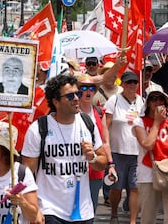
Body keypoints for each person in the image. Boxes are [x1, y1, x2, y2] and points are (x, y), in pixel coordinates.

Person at [22, 74, 107, 223]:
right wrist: (33, 208)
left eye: (78, 93)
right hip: (50, 209)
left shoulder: (87, 123)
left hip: (83, 210)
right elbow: (27, 173)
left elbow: (102, 162)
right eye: (69, 95)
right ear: (56, 101)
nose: (76, 98)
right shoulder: (39, 128)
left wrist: (92, 157)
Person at [132, 89, 168, 224]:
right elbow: (148, 144)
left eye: (160, 99)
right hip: (148, 172)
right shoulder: (139, 122)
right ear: (148, 103)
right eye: (153, 99)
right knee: (148, 217)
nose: (157, 102)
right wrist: (156, 122)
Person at [105, 71, 144, 224]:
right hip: (117, 151)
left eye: (135, 82)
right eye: (129, 82)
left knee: (135, 188)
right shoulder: (114, 100)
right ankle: (114, 214)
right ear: (123, 84)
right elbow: (106, 124)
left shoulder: (141, 101)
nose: (132, 85)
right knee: (116, 187)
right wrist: (105, 145)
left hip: (137, 152)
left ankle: (132, 221)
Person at [77, 73, 117, 213]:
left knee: (90, 210)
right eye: (84, 87)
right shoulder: (71, 112)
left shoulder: (100, 112)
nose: (88, 91)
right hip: (74, 169)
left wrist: (111, 165)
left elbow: (105, 142)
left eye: (91, 88)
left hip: (95, 168)